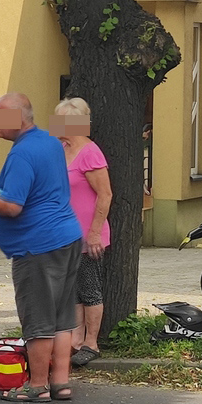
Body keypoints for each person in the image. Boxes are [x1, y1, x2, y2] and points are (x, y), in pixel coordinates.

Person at [0, 93, 83, 402]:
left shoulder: (22, 154)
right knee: (62, 317)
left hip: (38, 245)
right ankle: (60, 383)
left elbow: (11, 206)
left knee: (38, 320)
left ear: (19, 118)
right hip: (67, 237)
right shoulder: (50, 143)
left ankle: (36, 385)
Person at [53, 97, 112, 367]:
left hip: (89, 236)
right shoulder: (61, 148)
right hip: (66, 236)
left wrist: (95, 233)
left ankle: (92, 343)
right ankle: (76, 340)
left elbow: (105, 194)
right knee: (73, 291)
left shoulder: (90, 152)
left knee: (89, 291)